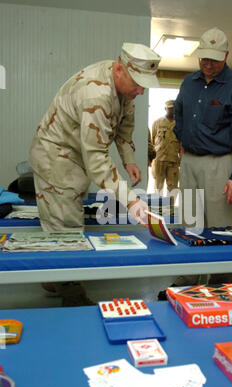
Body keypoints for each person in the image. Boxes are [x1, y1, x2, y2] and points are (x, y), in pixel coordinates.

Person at [29, 42, 161, 305]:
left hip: (77, 154)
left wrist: (130, 160)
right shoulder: (96, 94)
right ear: (120, 69)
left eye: (145, 83)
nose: (141, 90)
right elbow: (97, 160)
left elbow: (124, 127)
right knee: (65, 227)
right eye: (138, 82)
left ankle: (55, 276)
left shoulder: (127, 89)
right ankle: (72, 296)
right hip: (56, 155)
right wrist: (132, 202)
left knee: (68, 214)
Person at [173, 27, 232, 286]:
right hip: (190, 163)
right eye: (204, 58)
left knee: (220, 230)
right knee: (189, 225)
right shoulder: (189, 82)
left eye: (214, 59)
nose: (208, 64)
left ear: (226, 55)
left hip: (220, 164)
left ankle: (220, 286)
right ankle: (187, 281)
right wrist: (183, 139)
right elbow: (179, 113)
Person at [151, 101, 181, 203]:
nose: (172, 110)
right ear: (165, 109)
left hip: (173, 161)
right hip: (159, 160)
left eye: (173, 108)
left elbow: (182, 144)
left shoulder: (180, 124)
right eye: (169, 108)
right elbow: (152, 141)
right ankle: (157, 210)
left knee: (173, 188)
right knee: (158, 187)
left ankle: (170, 210)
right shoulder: (157, 123)